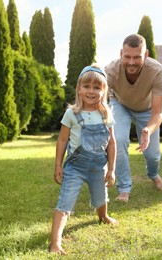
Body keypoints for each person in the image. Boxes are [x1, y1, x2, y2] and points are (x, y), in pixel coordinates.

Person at [49, 64, 118, 255]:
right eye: (87, 86)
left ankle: (103, 217)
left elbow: (111, 143)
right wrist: (57, 165)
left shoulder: (106, 114)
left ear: (103, 91)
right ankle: (55, 243)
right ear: (79, 88)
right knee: (65, 202)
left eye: (97, 87)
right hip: (75, 167)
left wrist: (111, 169)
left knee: (100, 197)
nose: (91, 91)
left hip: (98, 167)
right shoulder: (72, 113)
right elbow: (62, 140)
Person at [105, 33, 162, 202]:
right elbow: (99, 100)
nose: (131, 62)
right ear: (121, 54)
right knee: (118, 140)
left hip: (147, 110)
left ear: (145, 55)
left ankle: (153, 174)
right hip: (120, 104)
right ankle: (124, 188)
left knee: (153, 154)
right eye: (127, 57)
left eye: (137, 57)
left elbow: (158, 112)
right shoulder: (110, 71)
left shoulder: (157, 72)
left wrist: (148, 129)